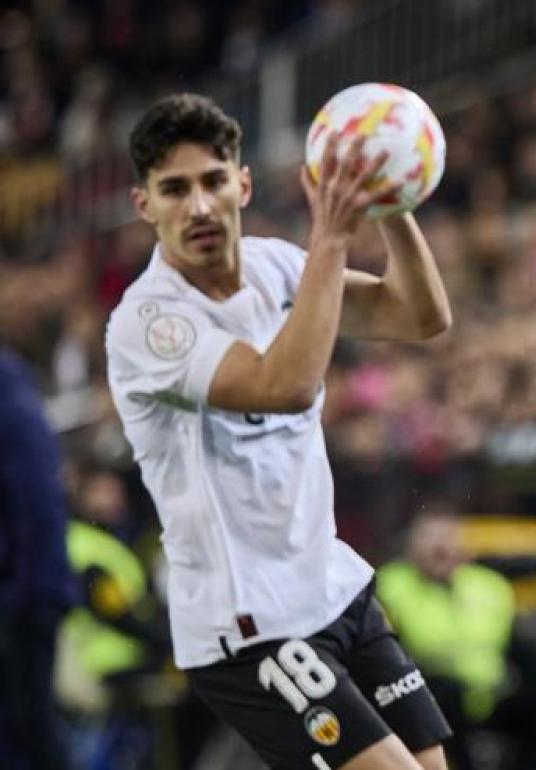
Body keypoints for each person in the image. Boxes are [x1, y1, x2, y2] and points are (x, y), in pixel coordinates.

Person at [104, 93, 454, 770]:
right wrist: (329, 239)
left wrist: (392, 202)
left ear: (242, 183)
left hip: (329, 585)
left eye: (212, 181)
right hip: (249, 625)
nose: (200, 206)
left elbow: (419, 316)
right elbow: (283, 385)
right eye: (174, 189)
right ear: (144, 204)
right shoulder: (148, 324)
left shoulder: (274, 266)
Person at [375, 504, 536, 770]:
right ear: (411, 545)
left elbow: (517, 647)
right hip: (427, 695)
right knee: (447, 694)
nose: (441, 547)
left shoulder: (490, 586)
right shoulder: (389, 586)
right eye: (430, 537)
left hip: (488, 695)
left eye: (448, 537)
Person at [0, 346, 76, 770]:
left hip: (18, 600)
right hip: (23, 592)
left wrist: (31, 599)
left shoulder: (5, 384)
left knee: (24, 743)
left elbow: (37, 496)